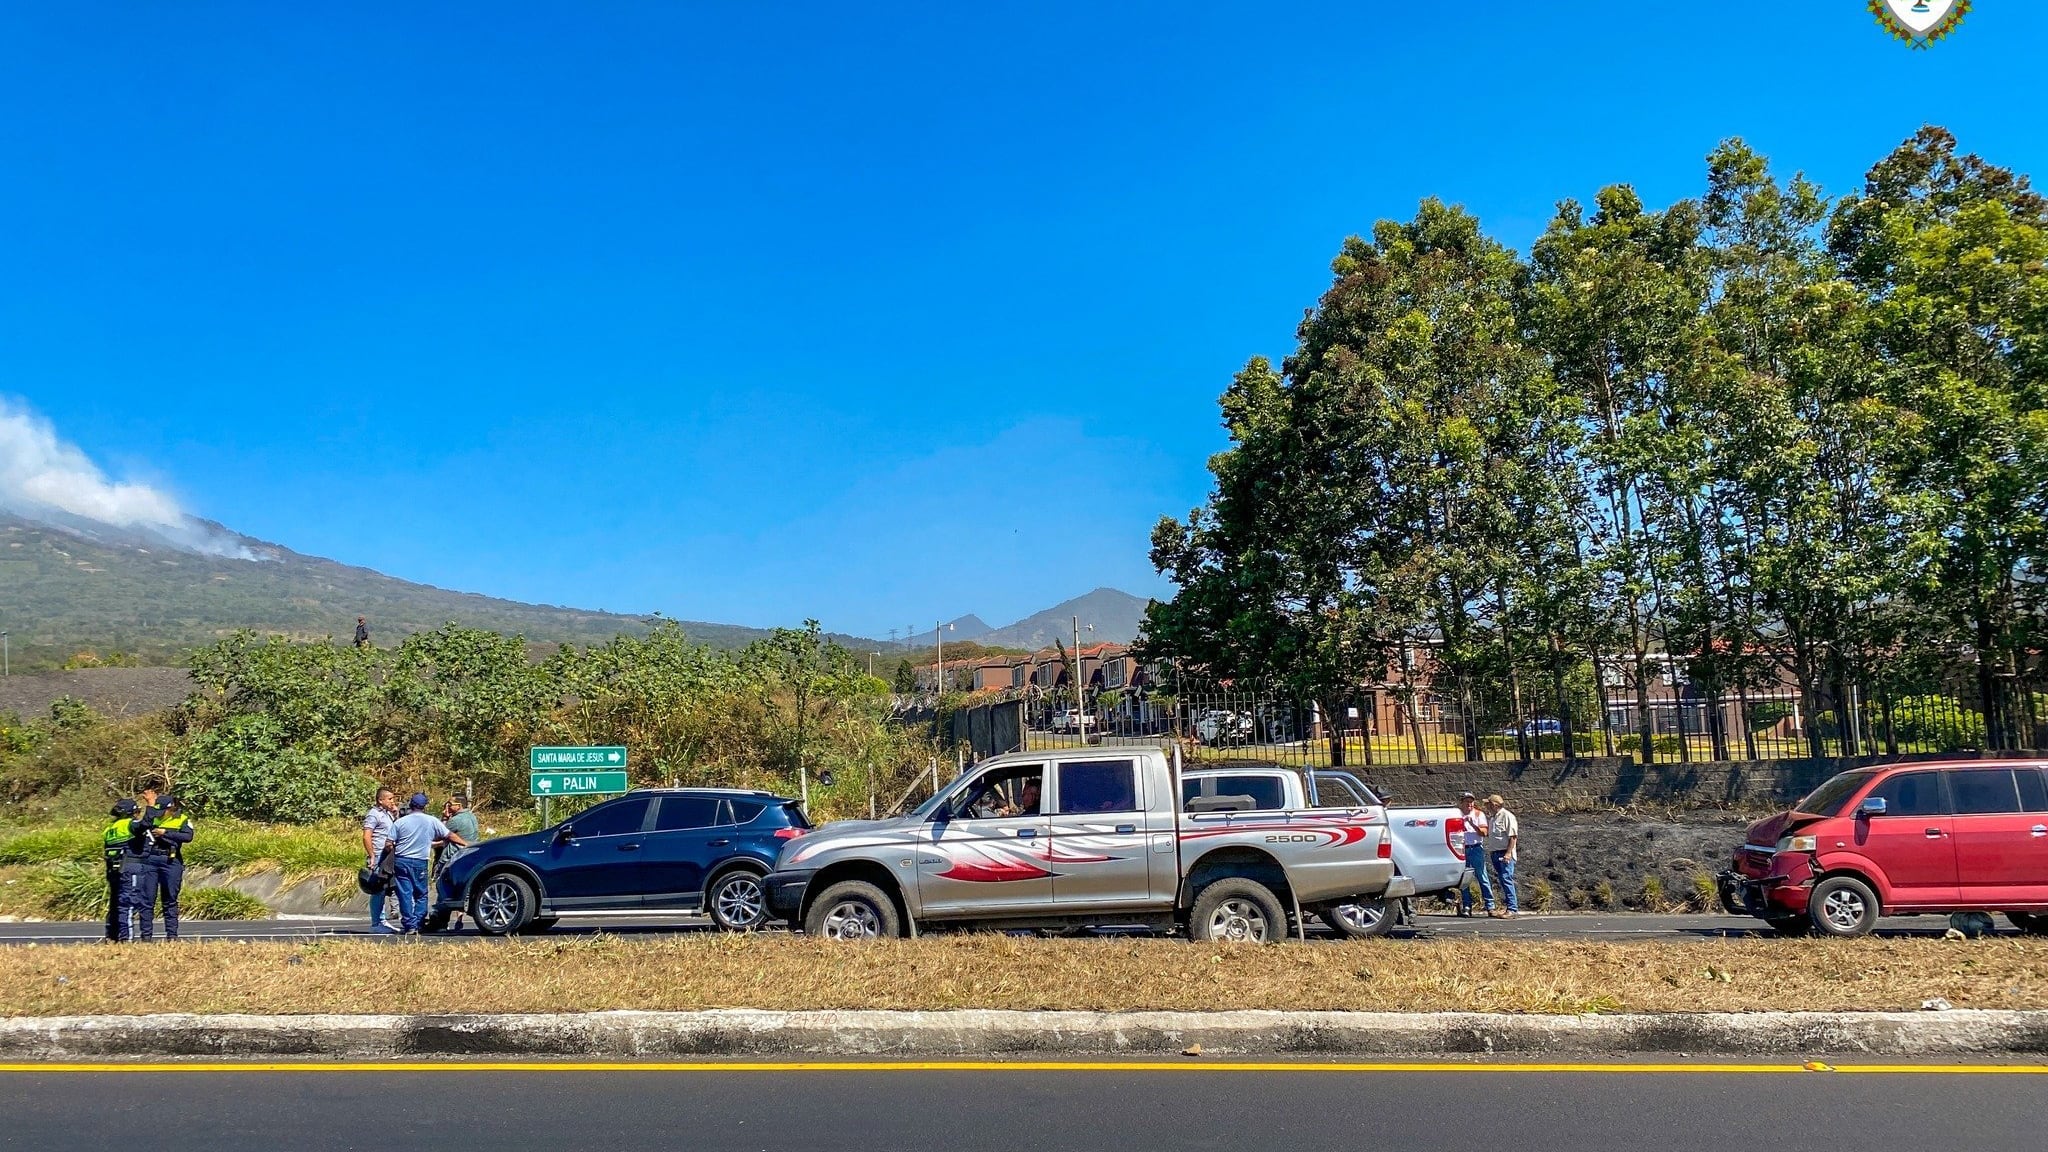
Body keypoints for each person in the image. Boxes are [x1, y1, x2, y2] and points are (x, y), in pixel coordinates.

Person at [389, 793, 466, 934]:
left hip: (401, 860)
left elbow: (389, 843)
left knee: (405, 893)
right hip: (420, 861)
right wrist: (465, 844)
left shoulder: (400, 822)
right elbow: (450, 835)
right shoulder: (431, 821)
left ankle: (409, 924)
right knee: (421, 894)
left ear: (411, 805)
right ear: (425, 806)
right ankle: (418, 922)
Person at [124, 793, 195, 940]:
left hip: (171, 860)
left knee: (170, 898)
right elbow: (142, 826)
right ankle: (146, 937)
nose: (160, 813)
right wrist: (149, 805)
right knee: (147, 899)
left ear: (170, 808)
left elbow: (187, 837)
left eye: (162, 809)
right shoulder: (152, 817)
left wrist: (165, 833)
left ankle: (172, 936)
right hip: (150, 859)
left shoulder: (181, 818)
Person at [438, 796, 481, 930]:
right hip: (468, 855)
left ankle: (441, 921)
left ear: (459, 805)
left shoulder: (456, 820)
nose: (448, 807)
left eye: (450, 804)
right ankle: (459, 919)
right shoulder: (472, 817)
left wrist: (444, 817)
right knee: (461, 888)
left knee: (443, 888)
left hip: (453, 857)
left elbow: (440, 832)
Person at [362, 787, 401, 934]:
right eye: (389, 799)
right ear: (380, 800)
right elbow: (367, 836)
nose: (392, 801)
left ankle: (382, 919)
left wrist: (395, 814)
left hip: (388, 855)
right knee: (377, 889)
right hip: (378, 855)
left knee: (384, 888)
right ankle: (375, 922)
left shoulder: (388, 814)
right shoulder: (373, 815)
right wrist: (371, 855)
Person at [101, 799, 140, 942]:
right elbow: (146, 826)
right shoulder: (131, 825)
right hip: (128, 867)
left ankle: (111, 936)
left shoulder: (109, 829)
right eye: (137, 811)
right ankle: (126, 938)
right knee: (127, 902)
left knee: (115, 902)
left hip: (112, 869)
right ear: (131, 812)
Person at [1482, 793, 1520, 918]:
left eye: (1488, 804)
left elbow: (1513, 837)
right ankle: (1509, 907)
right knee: (1503, 880)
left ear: (1494, 805)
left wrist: (1508, 853)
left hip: (1505, 853)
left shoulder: (1507, 816)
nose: (1486, 806)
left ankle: (1512, 909)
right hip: (1495, 853)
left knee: (1506, 878)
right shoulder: (1493, 818)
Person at [1454, 792, 1491, 917]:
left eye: (1471, 802)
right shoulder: (1457, 815)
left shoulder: (1478, 814)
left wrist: (1472, 824)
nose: (1469, 804)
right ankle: (1467, 906)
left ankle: (1490, 906)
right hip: (1462, 850)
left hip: (1475, 849)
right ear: (1462, 803)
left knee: (1482, 876)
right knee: (1465, 879)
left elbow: (1484, 833)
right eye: (1466, 802)